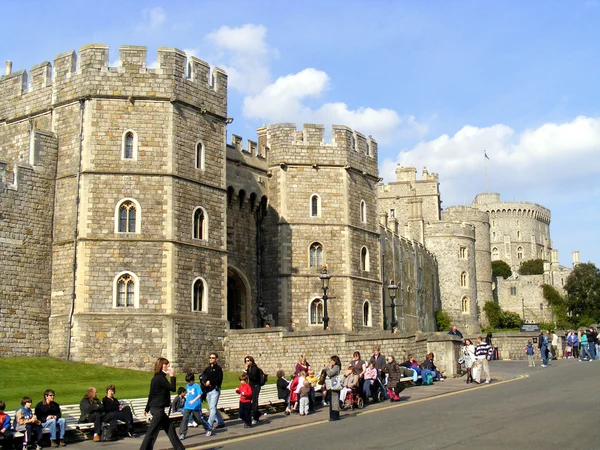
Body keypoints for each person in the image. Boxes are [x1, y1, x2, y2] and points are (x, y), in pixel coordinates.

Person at [139, 357, 185, 450]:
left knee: (170, 428)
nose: (168, 366)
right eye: (166, 364)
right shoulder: (160, 378)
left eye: (168, 364)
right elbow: (173, 388)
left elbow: (151, 394)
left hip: (157, 409)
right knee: (151, 432)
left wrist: (147, 408)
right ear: (161, 366)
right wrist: (172, 376)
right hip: (157, 410)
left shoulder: (157, 378)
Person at [178, 374, 211, 440]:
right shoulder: (187, 386)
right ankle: (182, 433)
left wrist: (193, 400)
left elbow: (199, 395)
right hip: (188, 405)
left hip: (195, 405)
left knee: (199, 419)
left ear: (192, 380)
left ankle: (208, 428)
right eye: (187, 381)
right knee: (185, 419)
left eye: (189, 381)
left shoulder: (196, 386)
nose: (188, 383)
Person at [201, 352, 225, 430]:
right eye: (210, 358)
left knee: (212, 408)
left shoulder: (218, 369)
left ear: (216, 359)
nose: (211, 359)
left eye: (213, 358)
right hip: (208, 390)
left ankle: (209, 424)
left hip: (215, 390)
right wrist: (204, 381)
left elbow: (219, 380)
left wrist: (210, 382)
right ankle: (220, 422)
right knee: (212, 407)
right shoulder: (208, 369)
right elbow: (202, 376)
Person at [243, 356, 262, 425]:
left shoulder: (254, 368)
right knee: (249, 401)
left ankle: (255, 418)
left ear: (251, 361)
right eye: (246, 361)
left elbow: (253, 377)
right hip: (251, 386)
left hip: (256, 386)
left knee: (254, 402)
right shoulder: (250, 368)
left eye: (248, 361)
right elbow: (246, 378)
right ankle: (256, 414)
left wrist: (246, 371)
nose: (247, 362)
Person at [325, 356, 342, 421]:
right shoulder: (334, 367)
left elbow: (330, 374)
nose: (331, 362)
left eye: (332, 361)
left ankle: (335, 416)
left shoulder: (336, 367)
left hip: (334, 385)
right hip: (332, 385)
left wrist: (327, 369)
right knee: (332, 401)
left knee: (334, 401)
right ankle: (333, 415)